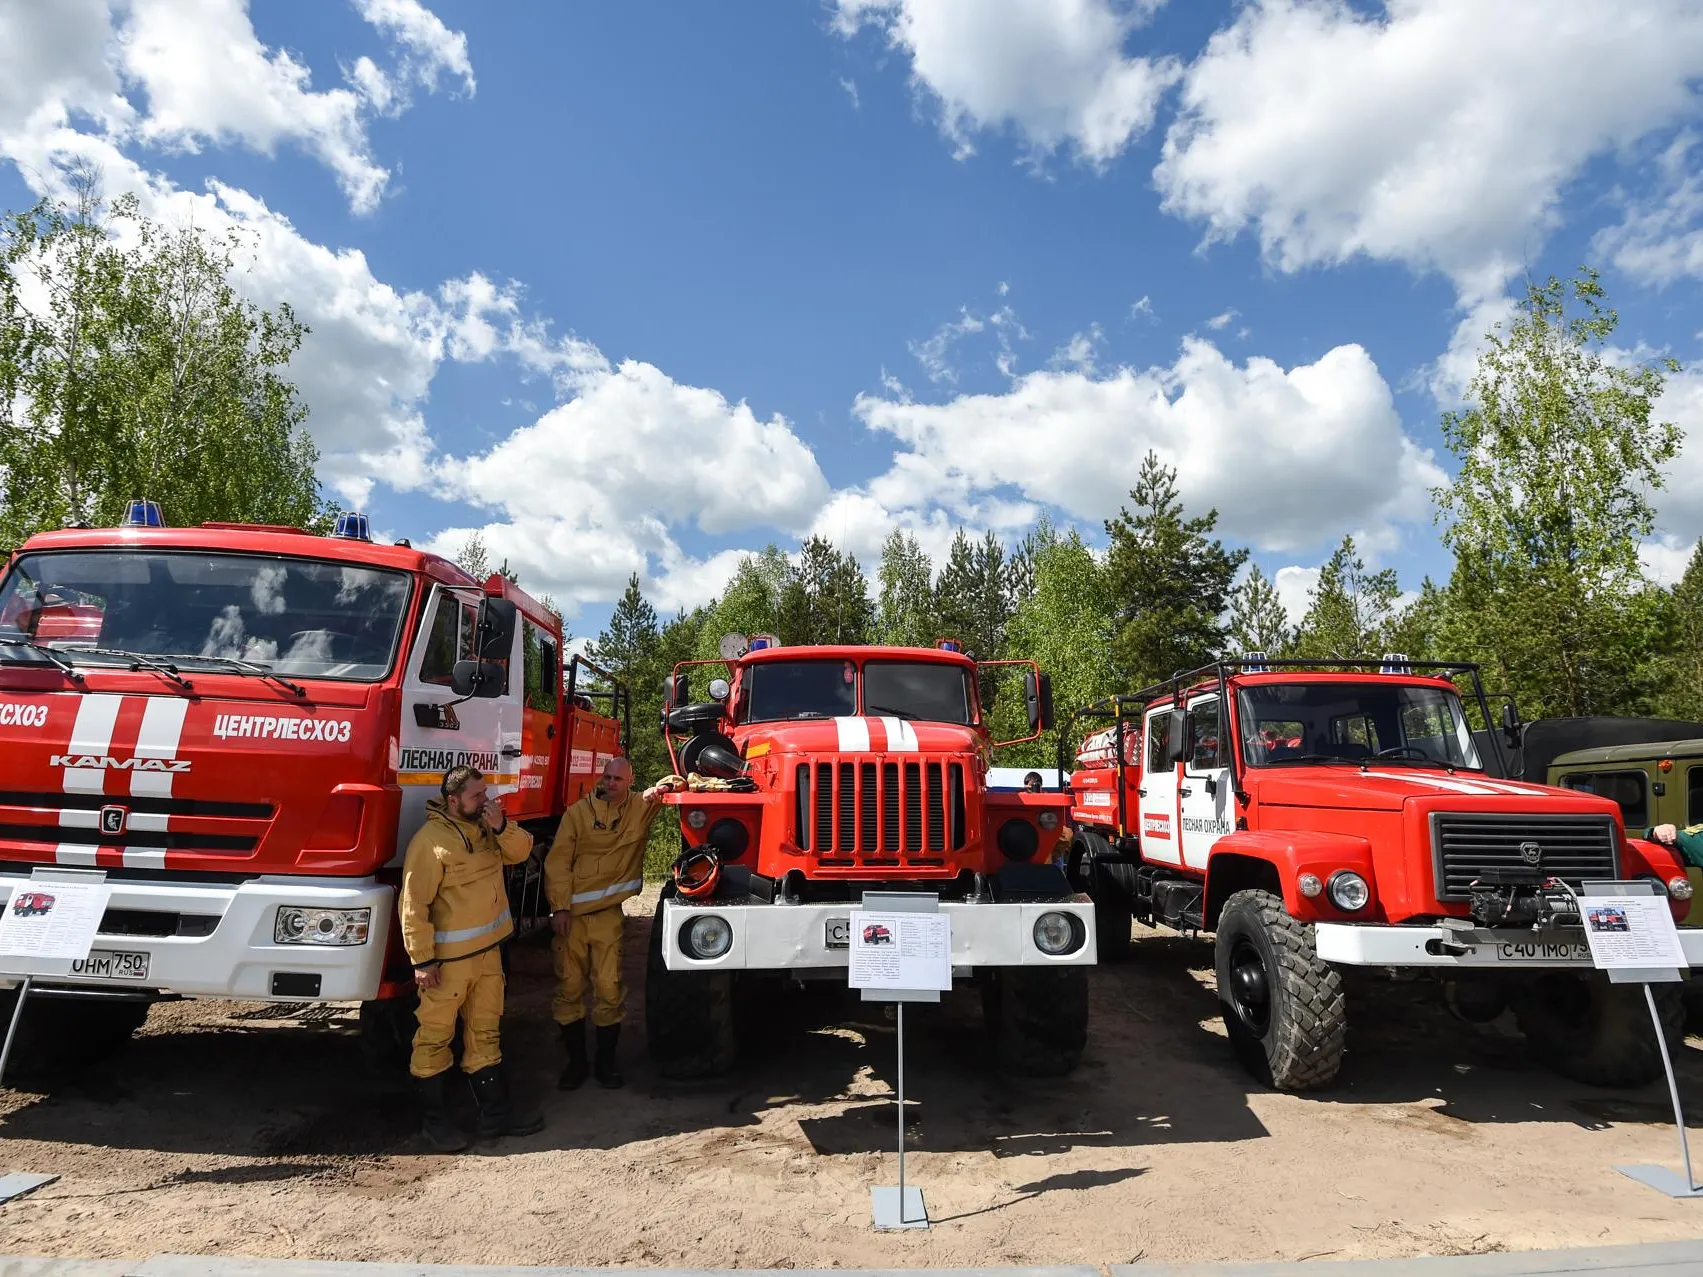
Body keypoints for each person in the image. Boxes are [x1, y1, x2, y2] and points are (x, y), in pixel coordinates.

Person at [399, 765, 545, 1152]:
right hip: (447, 965)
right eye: (477, 796)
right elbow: (414, 905)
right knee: (434, 1038)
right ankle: (435, 1123)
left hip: (488, 955)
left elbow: (523, 850)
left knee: (485, 1033)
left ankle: (494, 1118)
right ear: (453, 800)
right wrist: (422, 960)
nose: (486, 801)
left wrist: (501, 827)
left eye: (486, 793)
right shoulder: (430, 842)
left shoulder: (488, 830)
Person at [546, 758, 680, 1090]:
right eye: (607, 777)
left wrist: (660, 787)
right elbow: (558, 861)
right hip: (573, 917)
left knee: (609, 988)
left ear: (630, 781)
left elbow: (679, 781)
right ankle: (576, 1064)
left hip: (608, 916)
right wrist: (560, 908)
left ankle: (606, 1064)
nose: (611, 782)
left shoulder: (640, 806)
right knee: (569, 987)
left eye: (618, 778)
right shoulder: (578, 814)